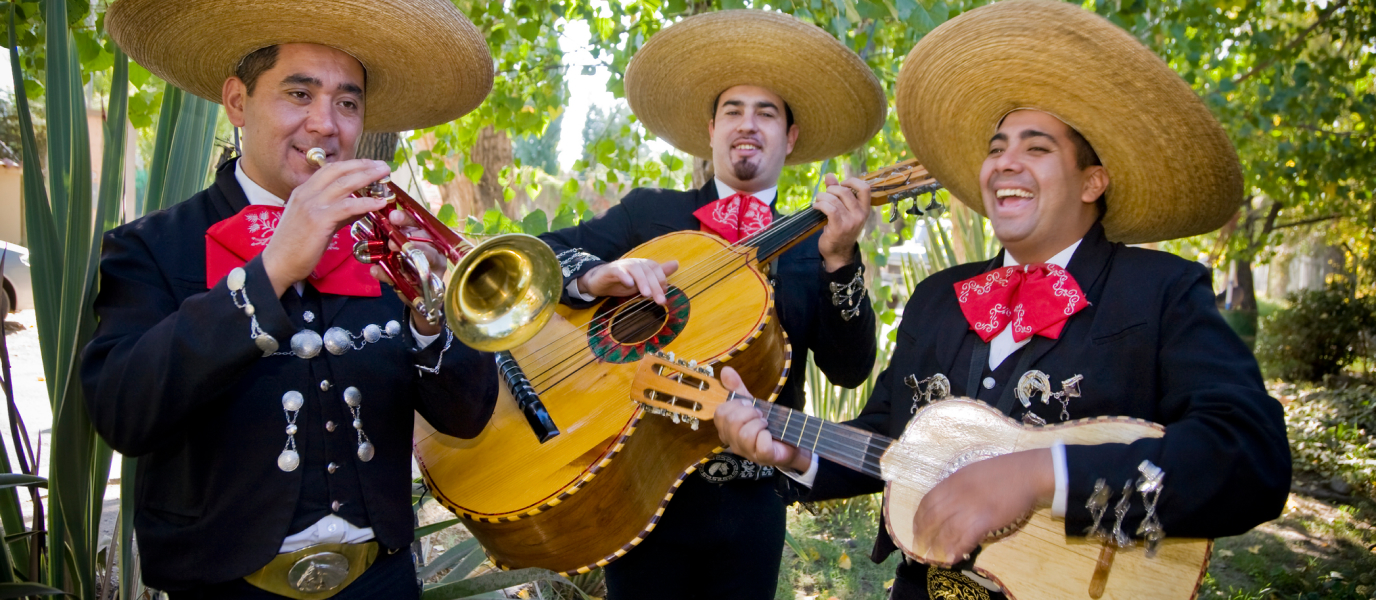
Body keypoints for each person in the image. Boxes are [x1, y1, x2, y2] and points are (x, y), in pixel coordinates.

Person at [715, 1, 1292, 598]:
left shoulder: (1164, 290)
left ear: (1093, 180)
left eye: (1036, 148)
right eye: (996, 147)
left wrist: (1044, 474)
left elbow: (1251, 457)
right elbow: (888, 437)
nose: (1004, 162)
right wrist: (792, 449)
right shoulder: (938, 297)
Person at [82, 1, 500, 597]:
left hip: (380, 581)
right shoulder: (150, 247)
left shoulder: (383, 245)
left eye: (347, 103)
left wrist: (426, 310)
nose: (326, 124)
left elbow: (467, 417)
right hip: (225, 586)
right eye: (299, 95)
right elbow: (123, 414)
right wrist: (272, 269)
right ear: (236, 102)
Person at [538, 10, 886, 599]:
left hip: (751, 503)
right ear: (711, 129)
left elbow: (850, 370)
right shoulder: (650, 215)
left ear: (790, 138)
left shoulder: (817, 246)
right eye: (733, 110)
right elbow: (544, 258)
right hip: (640, 490)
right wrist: (598, 277)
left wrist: (841, 263)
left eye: (767, 112)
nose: (748, 125)